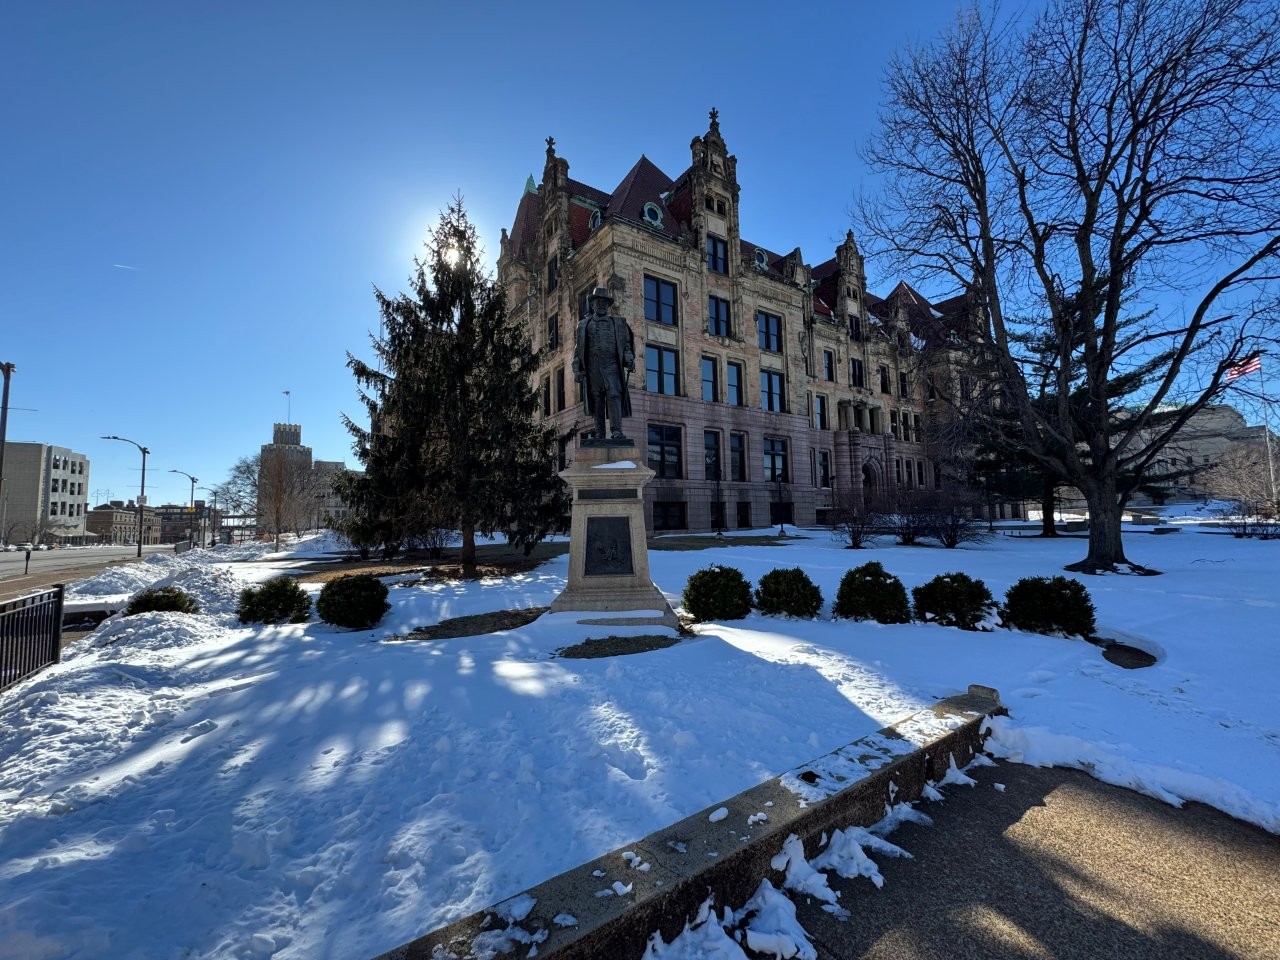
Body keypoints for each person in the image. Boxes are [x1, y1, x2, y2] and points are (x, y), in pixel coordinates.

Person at [573, 286, 635, 441]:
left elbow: (627, 346)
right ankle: (600, 433)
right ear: (592, 304)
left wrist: (629, 358)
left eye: (604, 302)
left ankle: (617, 431)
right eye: (598, 301)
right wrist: (576, 370)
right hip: (593, 368)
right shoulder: (583, 325)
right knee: (597, 400)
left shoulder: (619, 323)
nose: (601, 304)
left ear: (608, 305)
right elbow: (578, 351)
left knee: (614, 396)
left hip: (612, 366)